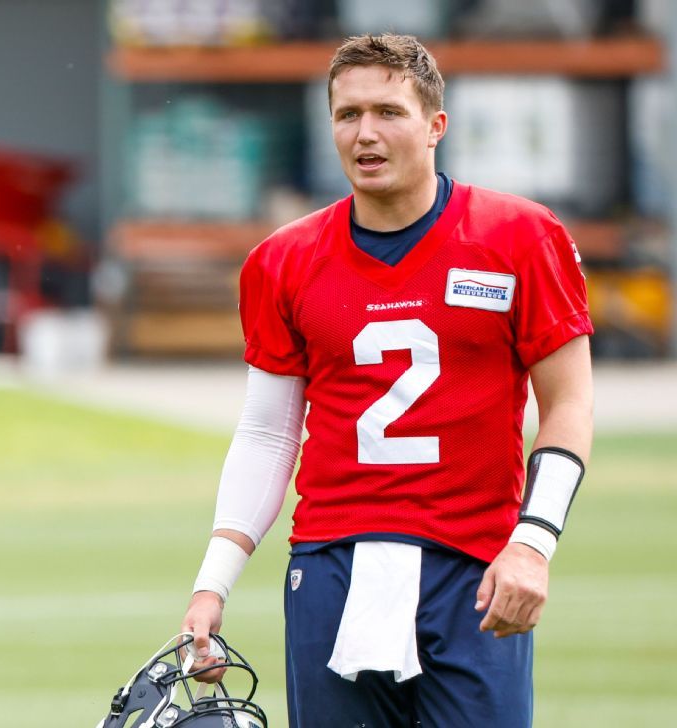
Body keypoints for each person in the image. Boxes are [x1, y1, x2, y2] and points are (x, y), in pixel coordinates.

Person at [180, 34, 593, 727]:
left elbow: (570, 404)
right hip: (332, 564)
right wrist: (210, 586)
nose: (365, 134)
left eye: (388, 112)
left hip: (473, 566)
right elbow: (265, 433)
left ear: (436, 126)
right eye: (347, 115)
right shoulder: (282, 261)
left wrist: (533, 542)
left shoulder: (522, 236)